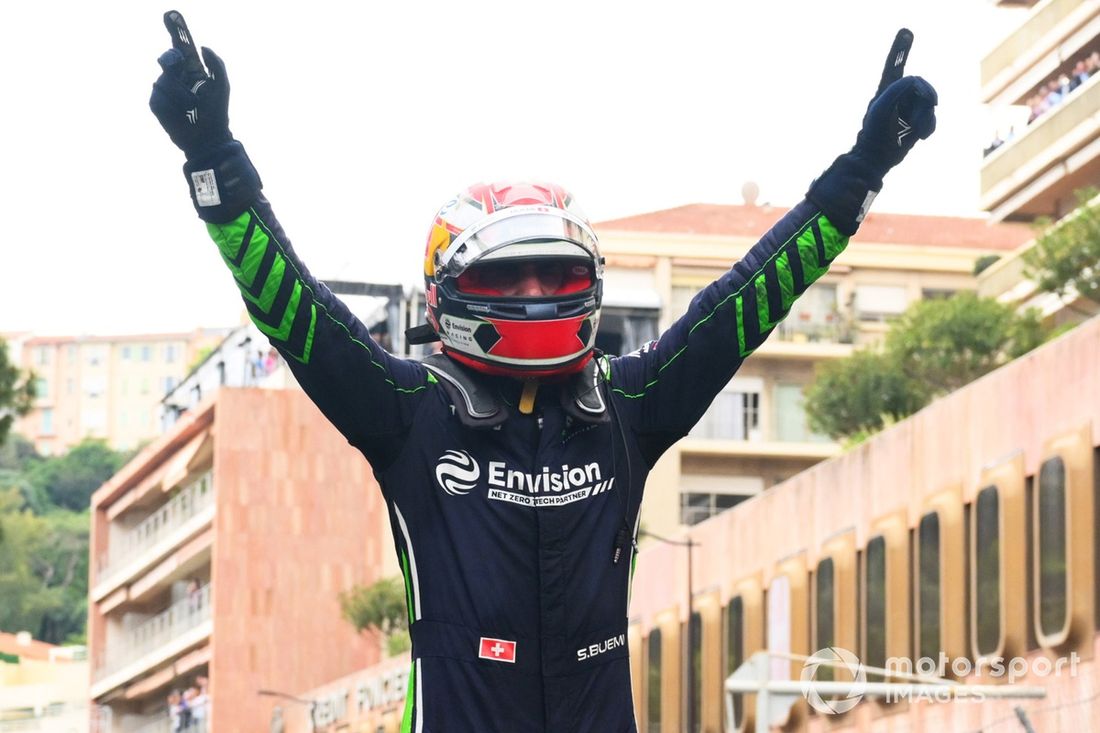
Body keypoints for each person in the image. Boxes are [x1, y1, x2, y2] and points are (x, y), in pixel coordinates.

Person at [150, 12, 935, 733]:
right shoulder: (410, 413)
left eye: (554, 272)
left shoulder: (627, 406)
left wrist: (863, 168)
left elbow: (747, 299)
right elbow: (295, 310)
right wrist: (213, 159)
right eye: (507, 275)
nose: (534, 292)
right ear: (446, 290)